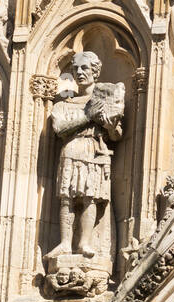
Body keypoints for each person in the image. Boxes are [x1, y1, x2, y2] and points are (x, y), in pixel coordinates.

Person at [46, 52, 124, 258]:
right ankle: (64, 243)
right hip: (71, 150)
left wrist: (108, 122)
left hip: (94, 151)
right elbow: (60, 129)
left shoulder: (104, 99)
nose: (80, 72)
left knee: (90, 197)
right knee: (67, 198)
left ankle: (84, 242)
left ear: (95, 71)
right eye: (76, 69)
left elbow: (116, 135)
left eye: (85, 68)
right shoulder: (63, 104)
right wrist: (88, 117)